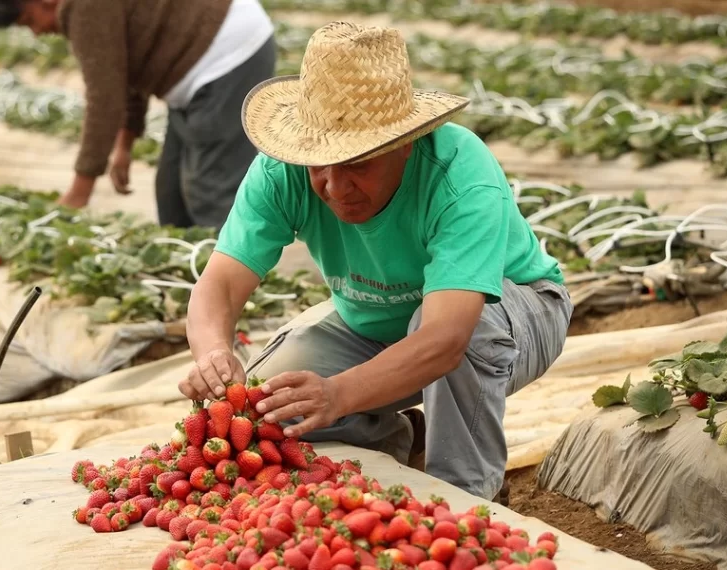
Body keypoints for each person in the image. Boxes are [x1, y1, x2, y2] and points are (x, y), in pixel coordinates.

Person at [178, 21, 574, 503]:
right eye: (320, 164)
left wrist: (340, 394)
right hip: (374, 324)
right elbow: (219, 283)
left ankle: (469, 499)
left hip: (512, 315)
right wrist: (213, 352)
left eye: (357, 165)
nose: (334, 186)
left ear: (405, 142)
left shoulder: (459, 175)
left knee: (458, 334)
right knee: (267, 411)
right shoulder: (283, 171)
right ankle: (394, 435)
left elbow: (445, 339)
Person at [0, 0, 276, 230]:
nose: (37, 31)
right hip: (200, 65)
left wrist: (79, 193)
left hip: (228, 56)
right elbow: (124, 73)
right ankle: (190, 279)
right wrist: (125, 144)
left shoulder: (83, 8)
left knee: (210, 194)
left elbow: (104, 100)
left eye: (29, 20)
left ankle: (237, 297)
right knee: (171, 195)